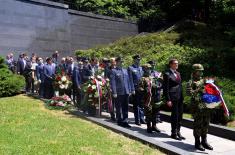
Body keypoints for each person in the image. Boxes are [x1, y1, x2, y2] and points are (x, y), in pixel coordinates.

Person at [186, 64, 213, 151]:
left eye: (202, 71)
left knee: (206, 123)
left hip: (206, 106)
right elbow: (189, 93)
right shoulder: (191, 82)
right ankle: (197, 142)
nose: (201, 72)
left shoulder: (205, 81)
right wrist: (199, 90)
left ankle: (204, 141)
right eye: (199, 71)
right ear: (194, 71)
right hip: (197, 107)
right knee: (198, 125)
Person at [163, 59, 185, 140]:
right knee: (175, 116)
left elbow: (180, 86)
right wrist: (168, 99)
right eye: (175, 64)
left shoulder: (178, 73)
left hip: (180, 97)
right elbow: (166, 88)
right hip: (173, 97)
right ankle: (174, 133)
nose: (177, 65)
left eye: (177, 63)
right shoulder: (167, 74)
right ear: (171, 65)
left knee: (180, 115)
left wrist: (182, 97)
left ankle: (178, 132)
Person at [110, 57, 133, 128]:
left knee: (125, 107)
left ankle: (125, 121)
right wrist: (114, 92)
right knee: (118, 107)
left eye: (122, 62)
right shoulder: (113, 71)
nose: (121, 63)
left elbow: (128, 81)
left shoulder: (125, 70)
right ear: (116, 62)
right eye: (120, 62)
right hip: (119, 92)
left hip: (126, 92)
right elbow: (113, 82)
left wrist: (129, 90)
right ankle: (119, 121)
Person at [138, 64, 161, 133]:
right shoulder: (142, 79)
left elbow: (157, 85)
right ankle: (149, 126)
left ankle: (154, 125)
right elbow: (140, 88)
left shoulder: (153, 78)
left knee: (155, 112)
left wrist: (157, 86)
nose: (149, 70)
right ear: (144, 69)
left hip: (154, 97)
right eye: (147, 69)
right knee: (148, 113)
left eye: (149, 69)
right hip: (147, 98)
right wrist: (145, 90)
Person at [128, 55, 145, 126]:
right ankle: (137, 120)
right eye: (137, 59)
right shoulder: (130, 68)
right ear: (134, 60)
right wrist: (132, 89)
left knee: (141, 104)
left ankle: (142, 118)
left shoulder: (141, 68)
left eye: (139, 59)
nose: (139, 61)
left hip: (142, 89)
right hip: (135, 89)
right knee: (136, 105)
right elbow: (130, 80)